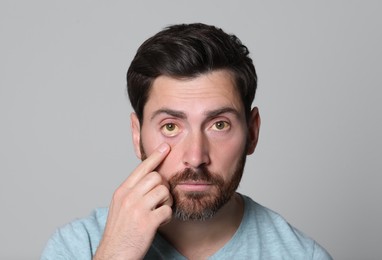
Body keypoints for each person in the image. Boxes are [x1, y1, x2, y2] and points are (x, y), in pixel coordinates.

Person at [41, 23, 333, 259]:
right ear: (136, 134)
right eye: (170, 126)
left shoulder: (301, 255)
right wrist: (118, 254)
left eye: (219, 125)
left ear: (252, 132)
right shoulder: (80, 247)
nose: (195, 156)